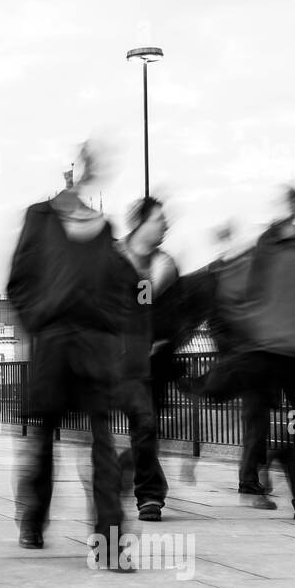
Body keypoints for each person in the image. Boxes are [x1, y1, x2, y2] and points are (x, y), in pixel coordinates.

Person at [6, 144, 130, 569]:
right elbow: (18, 282)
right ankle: (33, 519)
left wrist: (108, 325)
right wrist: (41, 320)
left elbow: (121, 288)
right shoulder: (39, 218)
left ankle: (111, 543)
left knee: (102, 441)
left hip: (94, 348)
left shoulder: (104, 228)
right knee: (43, 438)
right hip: (54, 343)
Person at [233, 186, 295, 523]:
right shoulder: (266, 245)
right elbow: (252, 292)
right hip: (267, 352)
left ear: (294, 207)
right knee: (277, 425)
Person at [113, 197, 178, 522]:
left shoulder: (165, 265)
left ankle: (146, 489)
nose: (166, 225)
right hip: (120, 358)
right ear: (139, 223)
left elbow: (165, 310)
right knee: (144, 425)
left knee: (145, 428)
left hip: (152, 360)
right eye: (158, 220)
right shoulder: (113, 260)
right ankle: (149, 494)